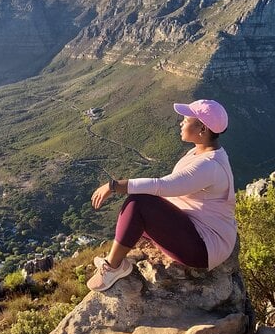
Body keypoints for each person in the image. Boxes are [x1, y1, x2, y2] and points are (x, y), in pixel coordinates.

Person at [86, 99, 236, 292]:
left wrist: (114, 186)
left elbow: (164, 185)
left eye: (186, 119)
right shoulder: (201, 152)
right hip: (195, 228)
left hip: (205, 248)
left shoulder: (209, 166)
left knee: (139, 203)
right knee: (136, 210)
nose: (181, 123)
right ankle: (117, 259)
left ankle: (113, 267)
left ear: (202, 129)